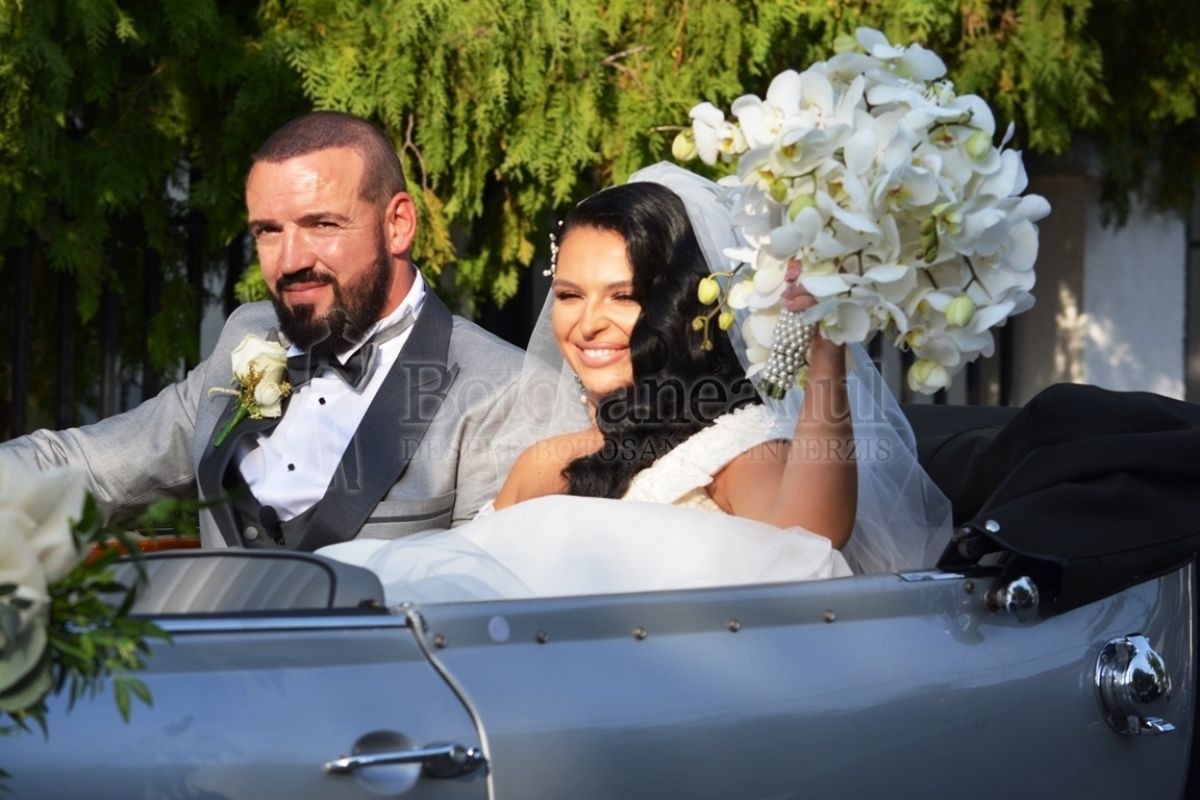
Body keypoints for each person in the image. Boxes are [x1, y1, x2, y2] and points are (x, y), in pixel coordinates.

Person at [320, 164, 952, 601]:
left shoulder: (734, 448)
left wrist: (826, 344)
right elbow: (451, 590)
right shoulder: (545, 464)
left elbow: (811, 546)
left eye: (624, 297)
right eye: (570, 295)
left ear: (678, 307)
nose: (587, 323)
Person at [0, 111, 534, 551]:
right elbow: (89, 468)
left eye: (322, 224)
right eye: (268, 231)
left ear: (397, 225)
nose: (290, 260)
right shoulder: (252, 337)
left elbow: (479, 601)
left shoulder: (502, 387)